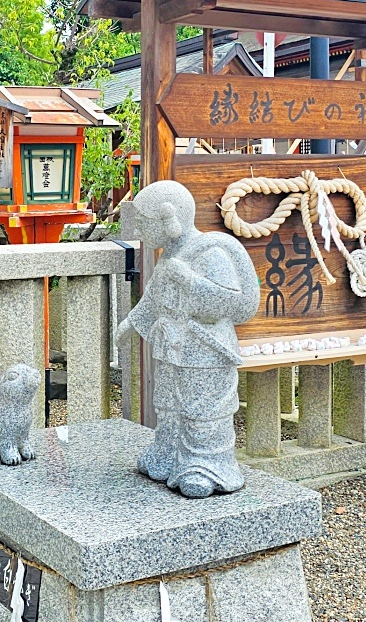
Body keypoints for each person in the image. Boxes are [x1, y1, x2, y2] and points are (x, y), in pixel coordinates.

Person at [116, 181, 260, 498]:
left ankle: (204, 465)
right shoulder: (171, 255)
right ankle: (168, 453)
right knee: (167, 405)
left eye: (143, 222)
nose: (139, 229)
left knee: (203, 409)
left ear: (168, 217)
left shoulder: (211, 252)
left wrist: (190, 281)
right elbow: (154, 298)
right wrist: (131, 323)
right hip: (172, 347)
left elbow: (230, 303)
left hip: (206, 349)